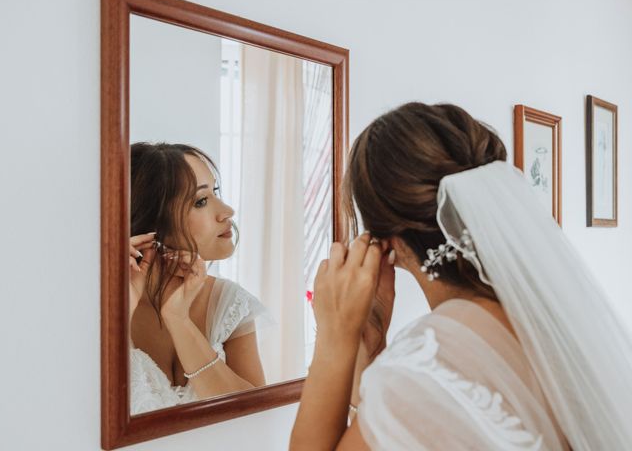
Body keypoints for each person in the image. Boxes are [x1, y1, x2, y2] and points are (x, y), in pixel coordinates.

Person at [290, 103, 632, 450]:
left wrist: (335, 337)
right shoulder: (551, 321)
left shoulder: (426, 362)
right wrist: (371, 351)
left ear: (384, 238)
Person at [128, 142, 268, 414]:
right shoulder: (103, 307)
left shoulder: (230, 304)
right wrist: (123, 309)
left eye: (215, 192)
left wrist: (178, 320)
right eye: (201, 201)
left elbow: (255, 418)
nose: (227, 211)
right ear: (152, 224)